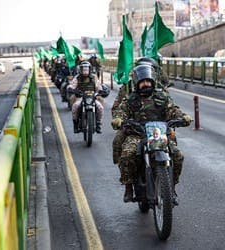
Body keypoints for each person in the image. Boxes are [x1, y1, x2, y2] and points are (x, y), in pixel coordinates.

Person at [111, 64, 191, 203]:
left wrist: (183, 117)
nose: (146, 84)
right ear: (137, 83)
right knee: (127, 155)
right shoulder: (130, 99)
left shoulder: (162, 97)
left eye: (148, 81)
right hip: (137, 135)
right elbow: (121, 111)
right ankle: (128, 186)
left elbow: (173, 110)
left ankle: (171, 187)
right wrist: (119, 119)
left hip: (159, 135)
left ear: (153, 81)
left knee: (178, 156)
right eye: (142, 81)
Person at [111, 56, 171, 165]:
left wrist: (180, 118)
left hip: (158, 130)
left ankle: (170, 177)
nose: (145, 82)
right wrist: (120, 119)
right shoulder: (128, 90)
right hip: (135, 127)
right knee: (122, 148)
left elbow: (171, 108)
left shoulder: (160, 91)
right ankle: (127, 178)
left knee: (176, 153)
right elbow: (119, 108)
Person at [69, 61, 104, 133]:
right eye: (83, 69)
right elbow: (72, 85)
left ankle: (98, 124)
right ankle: (75, 124)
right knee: (75, 106)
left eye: (86, 69)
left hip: (92, 97)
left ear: (90, 69)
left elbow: (98, 86)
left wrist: (100, 91)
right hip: (80, 96)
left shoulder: (94, 77)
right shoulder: (77, 77)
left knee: (100, 107)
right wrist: (72, 89)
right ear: (80, 69)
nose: (85, 70)